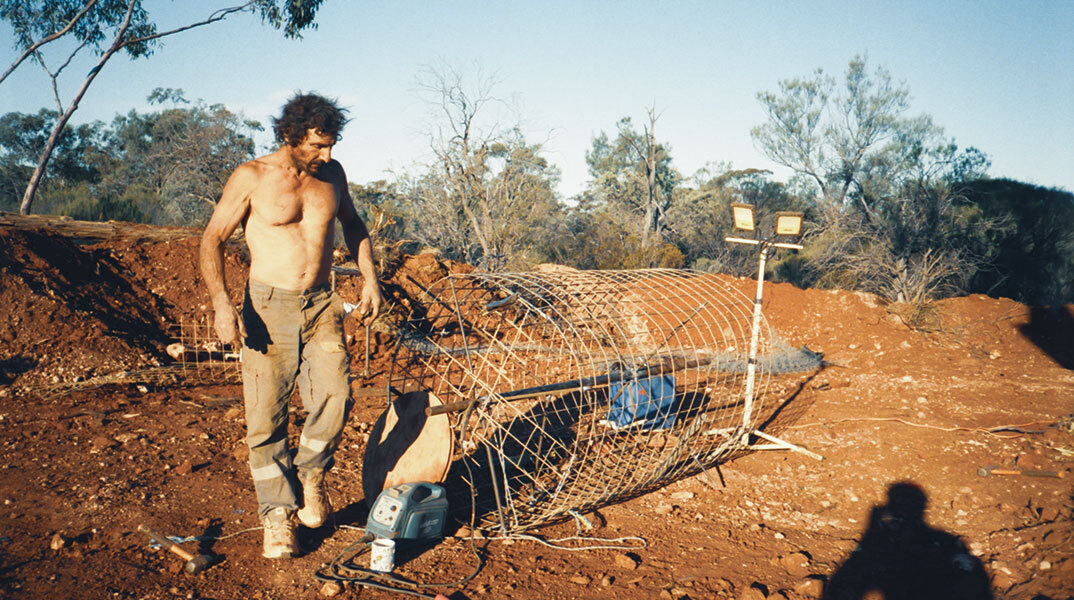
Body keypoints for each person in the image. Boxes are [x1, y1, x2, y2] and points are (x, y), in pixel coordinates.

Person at [199, 92, 382, 559]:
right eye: (317, 146)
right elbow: (212, 240)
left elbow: (355, 225)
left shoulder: (333, 176)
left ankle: (312, 475)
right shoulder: (252, 176)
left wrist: (370, 279)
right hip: (267, 306)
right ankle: (277, 517)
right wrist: (223, 305)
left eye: (332, 145)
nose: (327, 155)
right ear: (289, 136)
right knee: (265, 417)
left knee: (337, 396)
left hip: (321, 303)